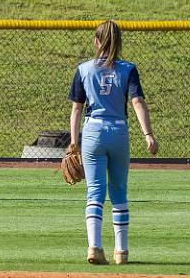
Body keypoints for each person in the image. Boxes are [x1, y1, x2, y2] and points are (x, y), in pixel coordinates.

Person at [67, 20, 159, 265]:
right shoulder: (128, 69)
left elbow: (76, 109)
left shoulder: (84, 69)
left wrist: (73, 142)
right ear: (119, 43)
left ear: (96, 42)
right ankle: (121, 252)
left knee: (94, 191)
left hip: (92, 132)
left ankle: (94, 247)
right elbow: (137, 102)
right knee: (118, 192)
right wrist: (148, 134)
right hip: (118, 132)